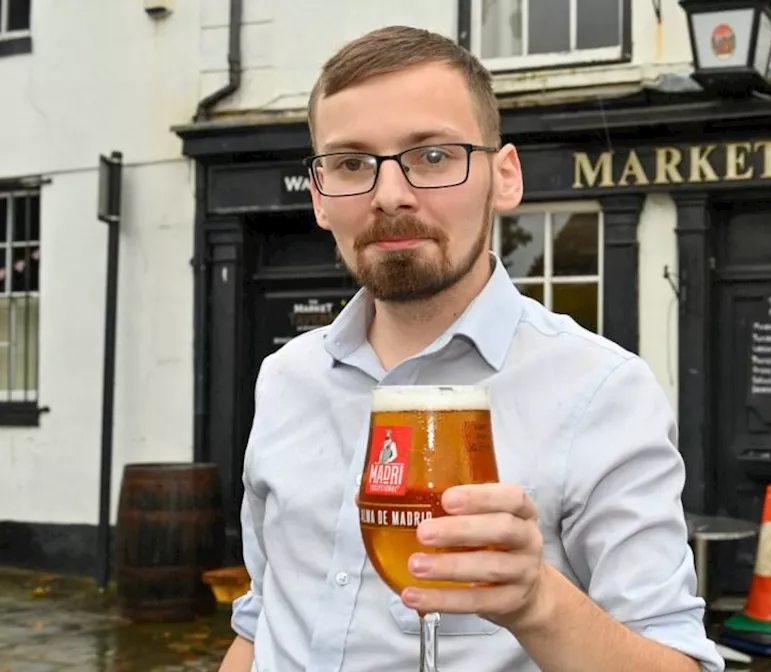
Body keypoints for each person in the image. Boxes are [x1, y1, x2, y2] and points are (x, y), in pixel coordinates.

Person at [217, 25, 723, 672]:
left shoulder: (602, 391)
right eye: (350, 164)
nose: (389, 195)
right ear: (318, 198)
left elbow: (679, 662)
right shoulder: (285, 377)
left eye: (432, 156)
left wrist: (538, 600)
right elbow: (264, 623)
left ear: (504, 177)